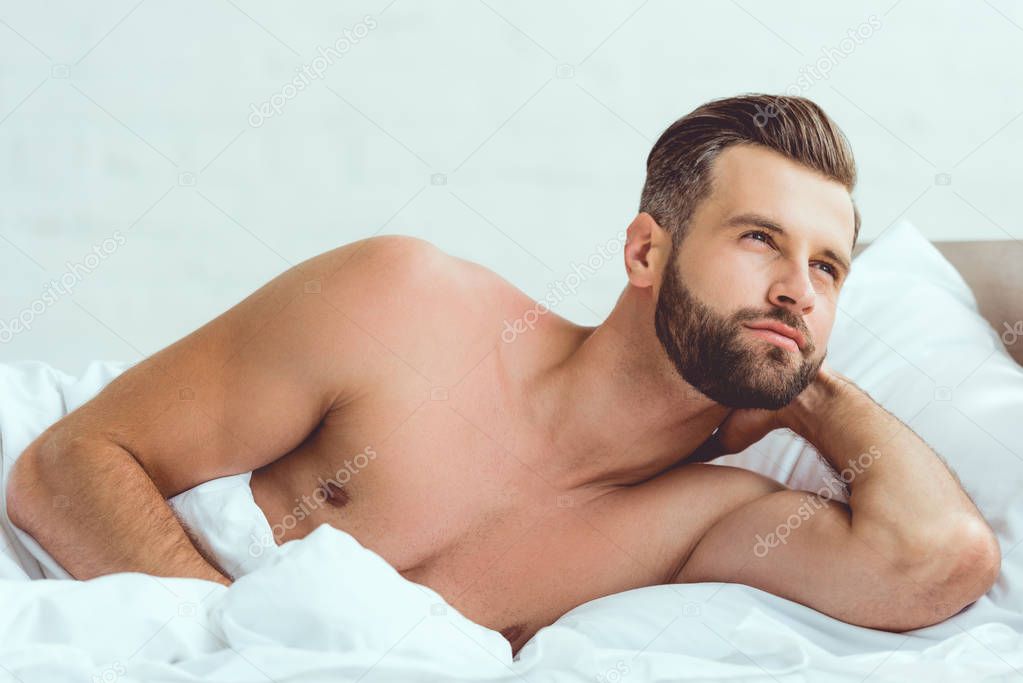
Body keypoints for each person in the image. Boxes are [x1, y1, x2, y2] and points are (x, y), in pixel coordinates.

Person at [6, 94, 1000, 654]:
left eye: (827, 267)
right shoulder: (403, 303)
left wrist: (809, 385)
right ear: (645, 252)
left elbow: (940, 558)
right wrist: (240, 651)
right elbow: (68, 463)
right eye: (759, 240)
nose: (796, 287)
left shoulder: (703, 515)